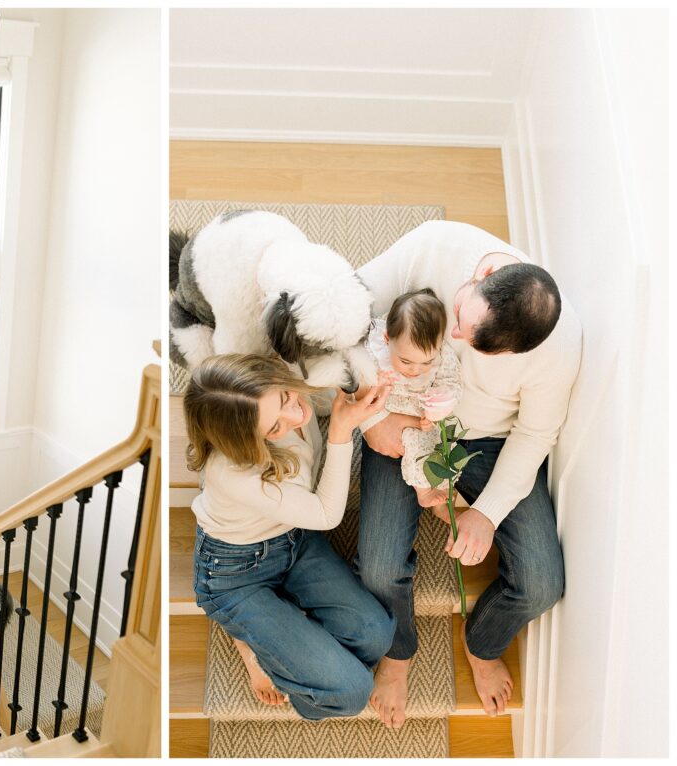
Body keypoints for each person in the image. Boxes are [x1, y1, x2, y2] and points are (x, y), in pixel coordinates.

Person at [354, 220, 581, 727]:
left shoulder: (557, 350)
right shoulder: (432, 245)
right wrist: (372, 419)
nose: (455, 336)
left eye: (473, 341)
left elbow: (534, 436)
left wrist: (486, 514)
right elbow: (345, 319)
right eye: (459, 317)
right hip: (404, 417)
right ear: (486, 272)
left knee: (542, 583)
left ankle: (482, 644)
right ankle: (398, 651)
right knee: (377, 566)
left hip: (488, 440)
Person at [185, 353, 395, 719]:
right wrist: (341, 433)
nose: (297, 416)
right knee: (350, 693)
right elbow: (327, 515)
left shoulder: (288, 384)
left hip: (294, 540)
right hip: (235, 574)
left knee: (375, 636)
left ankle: (274, 625)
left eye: (286, 397)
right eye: (274, 430)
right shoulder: (231, 473)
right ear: (246, 443)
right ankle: (251, 644)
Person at [359, 287, 462, 511]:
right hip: (385, 412)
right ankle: (423, 491)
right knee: (416, 444)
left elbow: (452, 384)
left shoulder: (443, 356)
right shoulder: (375, 350)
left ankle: (442, 491)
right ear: (387, 339)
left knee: (438, 446)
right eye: (406, 361)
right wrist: (375, 383)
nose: (415, 370)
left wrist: (439, 407)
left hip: (421, 414)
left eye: (426, 362)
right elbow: (355, 382)